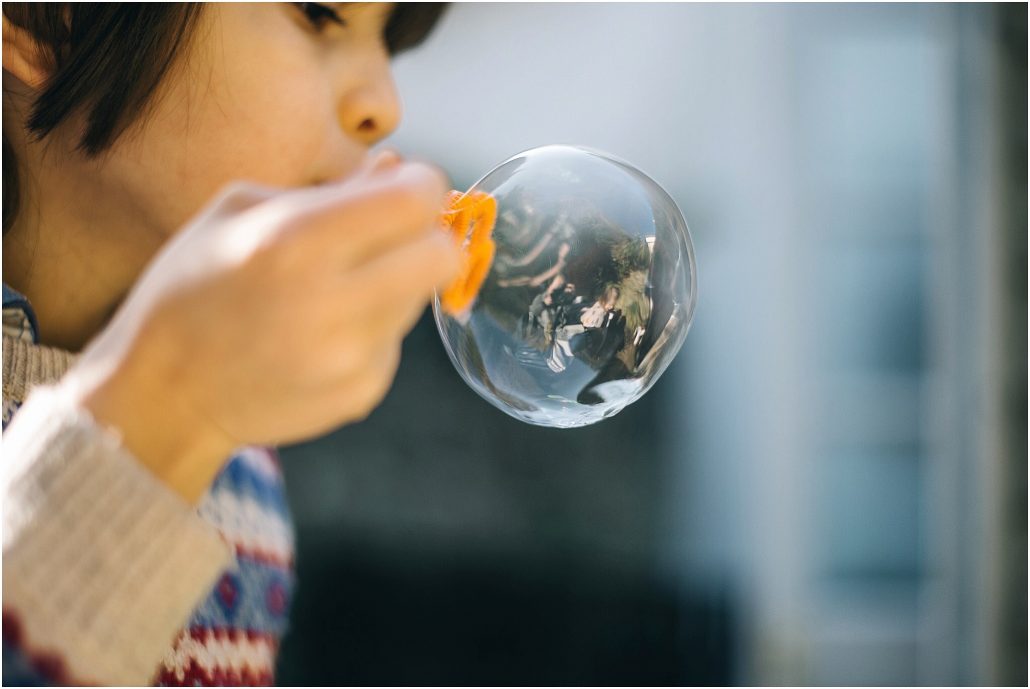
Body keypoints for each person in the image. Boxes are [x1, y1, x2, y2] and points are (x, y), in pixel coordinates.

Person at [1, 3, 456, 686]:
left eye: (387, 43)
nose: (384, 106)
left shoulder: (243, 467)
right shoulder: (198, 411)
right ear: (50, 22)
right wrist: (164, 413)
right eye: (319, 12)